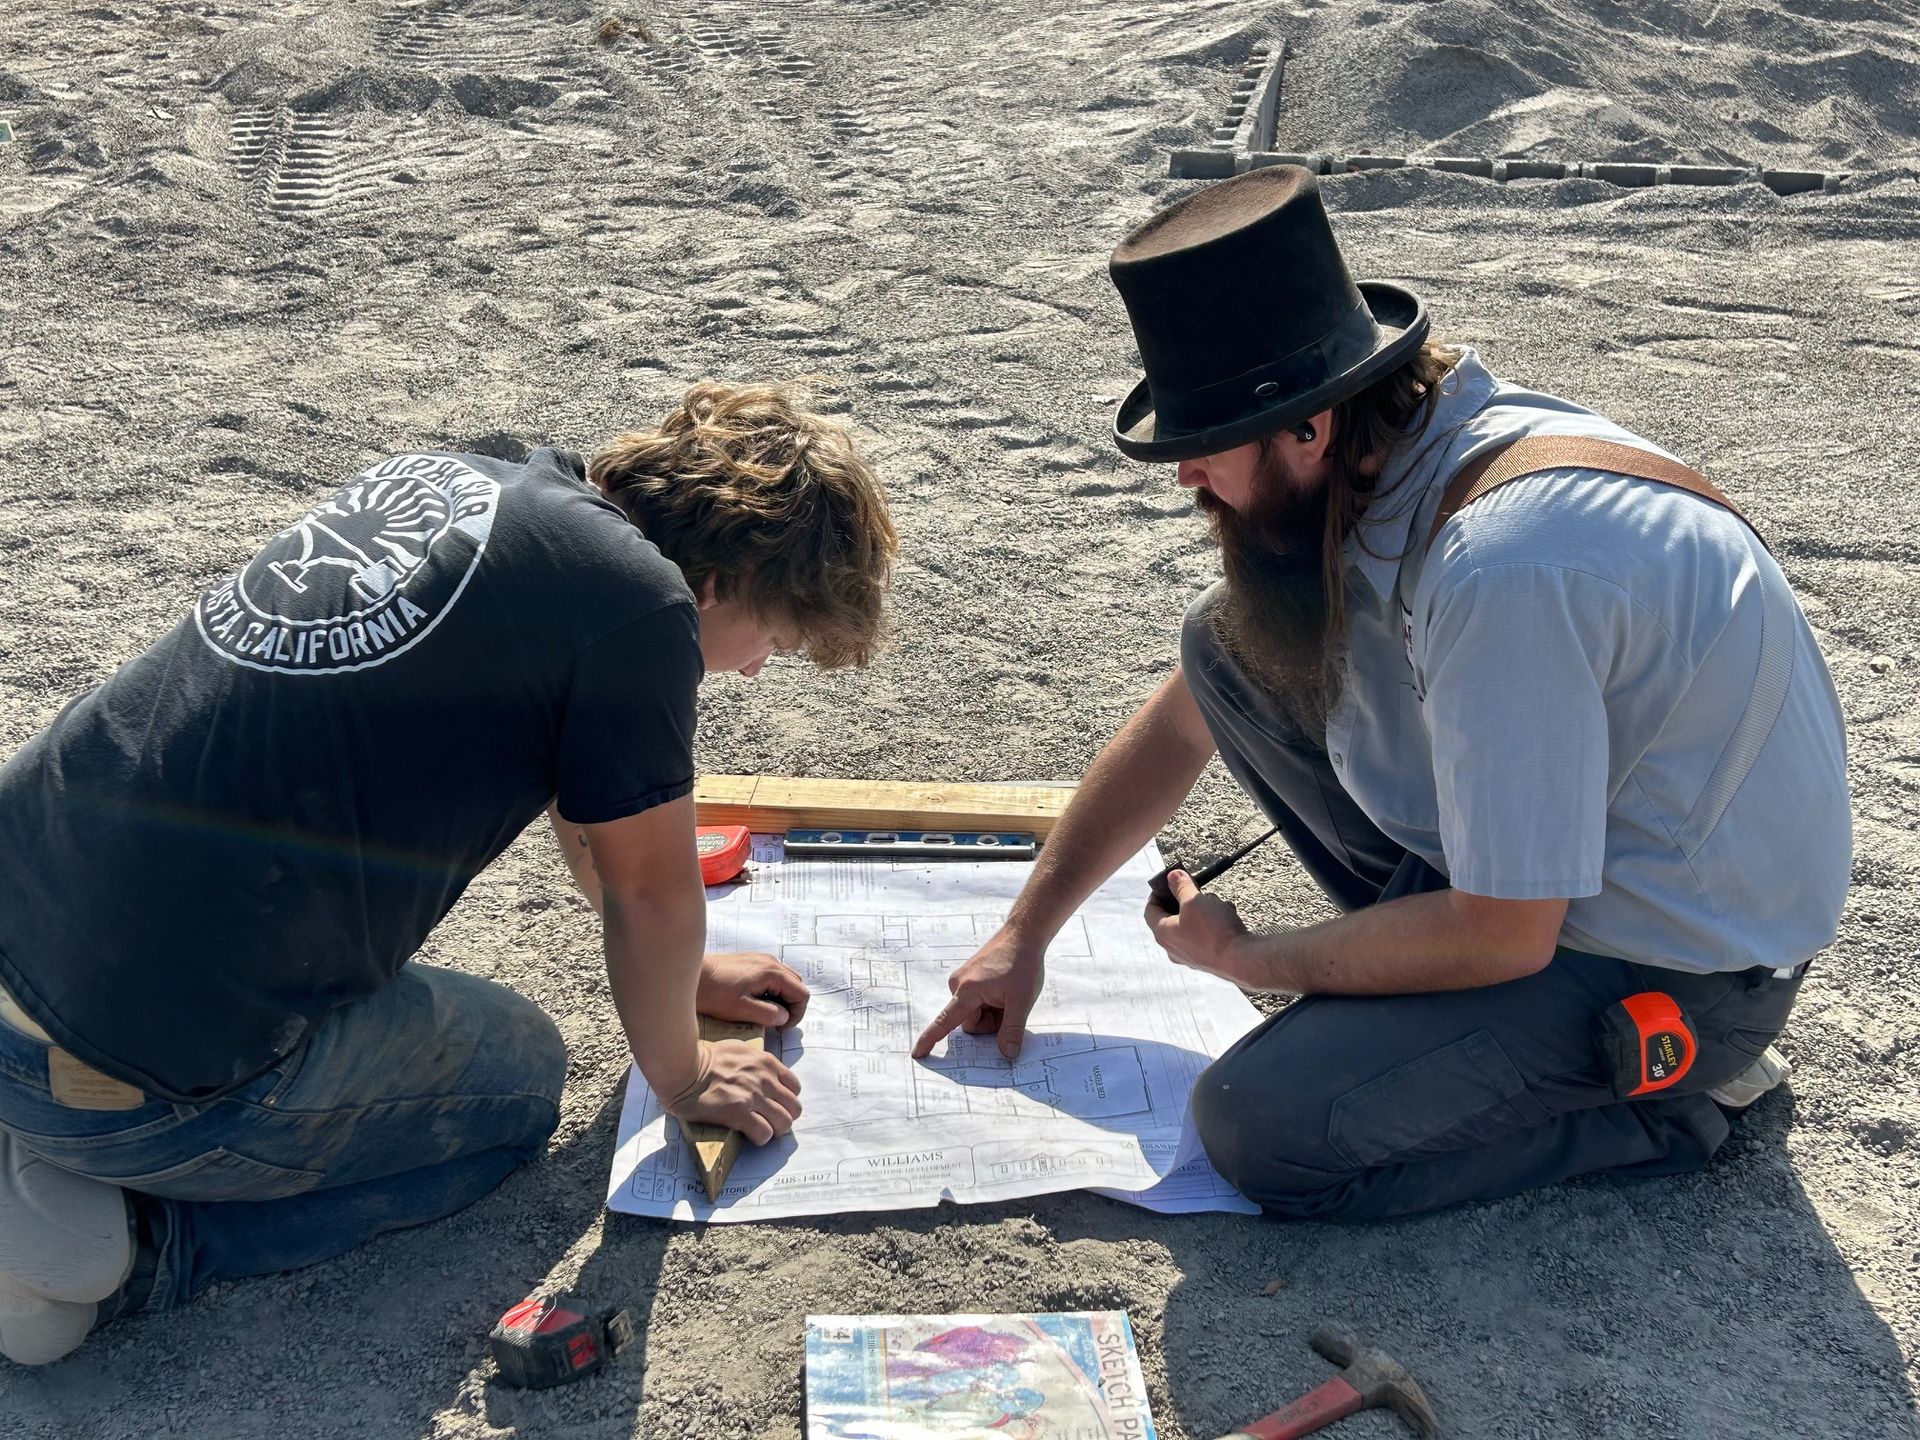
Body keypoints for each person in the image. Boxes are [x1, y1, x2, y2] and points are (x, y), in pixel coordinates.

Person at [913, 166, 1850, 1221]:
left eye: (1201, 446)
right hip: (1559, 880)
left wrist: (1248, 959)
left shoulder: (1504, 571)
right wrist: (1024, 932)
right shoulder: (1399, 455)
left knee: (1257, 1128)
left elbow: (1506, 935)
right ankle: (1425, 983)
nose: (1184, 479)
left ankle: (1671, 1106)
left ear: (1307, 431)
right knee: (1223, 650)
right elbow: (1186, 715)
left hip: (1677, 971)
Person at [0, 379, 896, 1363]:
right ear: (720, 582)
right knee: (514, 1089)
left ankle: (50, 1143)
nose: (757, 667)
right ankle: (148, 1250)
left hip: (33, 918)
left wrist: (686, 981)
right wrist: (681, 1072)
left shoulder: (479, 482)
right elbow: (649, 892)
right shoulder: (646, 611)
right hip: (129, 1070)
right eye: (773, 637)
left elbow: (584, 799)